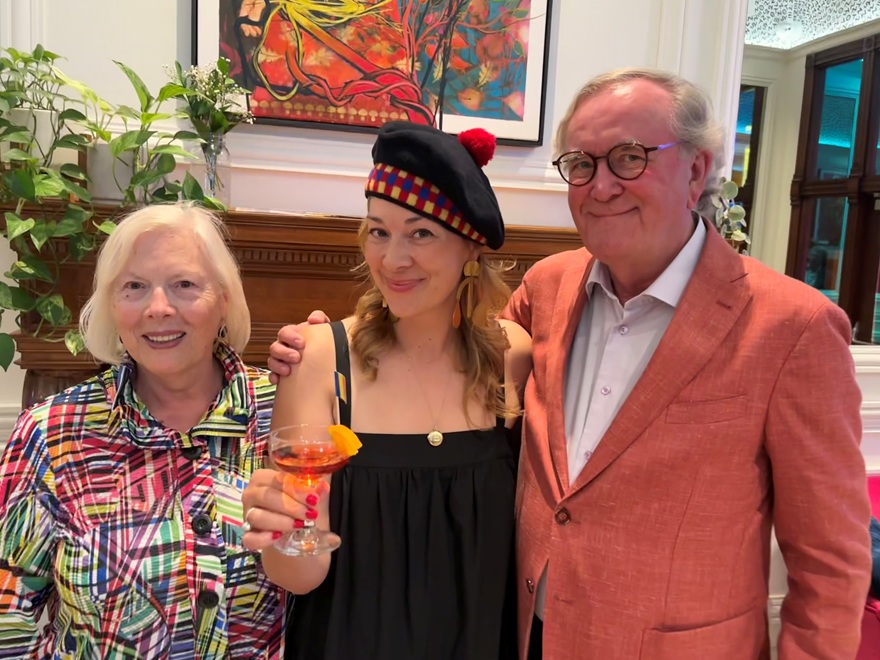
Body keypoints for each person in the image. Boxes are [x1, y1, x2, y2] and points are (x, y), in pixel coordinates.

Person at [268, 68, 873, 659]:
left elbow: (829, 562)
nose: (601, 185)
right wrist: (322, 347)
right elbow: (442, 345)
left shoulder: (794, 327)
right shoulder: (548, 292)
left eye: (629, 158)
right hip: (519, 633)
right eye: (582, 164)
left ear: (695, 170)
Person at [241, 121, 531, 659]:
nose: (393, 259)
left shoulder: (510, 355)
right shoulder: (321, 359)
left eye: (421, 233)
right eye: (379, 231)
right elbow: (300, 576)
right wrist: (279, 530)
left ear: (470, 246)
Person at [0, 203, 285, 658]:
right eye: (134, 287)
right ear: (112, 306)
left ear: (225, 300)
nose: (158, 308)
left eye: (184, 285)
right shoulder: (51, 433)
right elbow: (10, 617)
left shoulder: (285, 415)